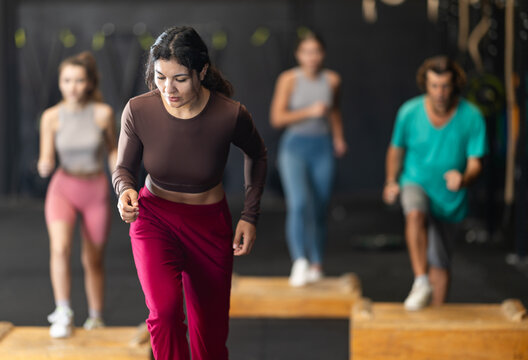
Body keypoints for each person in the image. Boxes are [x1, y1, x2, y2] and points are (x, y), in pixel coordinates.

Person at [112, 26, 267, 360]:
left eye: (180, 78)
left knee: (209, 339)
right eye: (160, 77)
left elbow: (258, 154)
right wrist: (125, 191)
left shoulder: (230, 114)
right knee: (164, 314)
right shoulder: (138, 110)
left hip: (209, 224)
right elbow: (124, 169)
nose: (168, 88)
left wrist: (250, 216)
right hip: (154, 220)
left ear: (202, 72)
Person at [383, 56, 486, 311]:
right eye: (434, 86)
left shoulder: (472, 116)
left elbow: (475, 162)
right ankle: (420, 281)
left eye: (445, 86)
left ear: (455, 86)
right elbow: (396, 150)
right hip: (415, 182)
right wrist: (391, 181)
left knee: (440, 263)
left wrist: (464, 178)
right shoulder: (409, 112)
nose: (439, 93)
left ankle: (436, 322)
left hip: (450, 197)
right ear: (425, 85)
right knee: (414, 213)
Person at [37, 51, 117, 337]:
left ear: (89, 83)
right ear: (60, 83)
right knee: (59, 248)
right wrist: (44, 165)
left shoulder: (103, 114)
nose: (72, 86)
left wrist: (121, 180)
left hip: (94, 190)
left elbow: (112, 151)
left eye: (79, 80)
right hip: (63, 188)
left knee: (92, 259)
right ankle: (63, 311)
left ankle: (95, 317)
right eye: (67, 80)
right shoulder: (50, 118)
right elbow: (46, 157)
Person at [269, 31, 347, 287]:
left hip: (322, 147)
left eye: (317, 52)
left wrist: (338, 137)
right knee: (299, 203)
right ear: (298, 54)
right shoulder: (289, 79)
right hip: (295, 147)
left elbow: (334, 111)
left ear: (323, 54)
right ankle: (300, 261)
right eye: (307, 52)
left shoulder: (332, 80)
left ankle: (316, 263)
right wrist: (309, 111)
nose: (312, 57)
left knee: (320, 207)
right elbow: (277, 118)